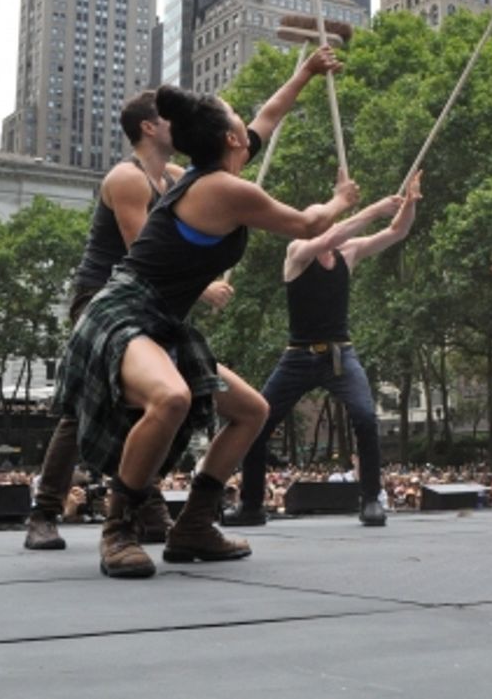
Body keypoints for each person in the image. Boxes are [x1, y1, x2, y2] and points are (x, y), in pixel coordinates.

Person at [53, 47, 359, 579]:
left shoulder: (213, 170)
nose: (249, 125)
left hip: (163, 322)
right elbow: (310, 224)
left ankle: (194, 523)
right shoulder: (222, 189)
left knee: (251, 410)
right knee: (169, 398)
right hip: (122, 314)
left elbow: (268, 115)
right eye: (240, 123)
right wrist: (339, 200)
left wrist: (303, 75)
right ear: (232, 141)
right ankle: (117, 529)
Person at [25, 89, 235, 552]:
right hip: (103, 300)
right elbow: (145, 248)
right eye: (170, 120)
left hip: (148, 306)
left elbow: (237, 155)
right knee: (85, 404)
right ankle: (44, 510)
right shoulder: (127, 178)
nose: (178, 126)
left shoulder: (175, 176)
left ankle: (144, 502)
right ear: (150, 127)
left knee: (155, 401)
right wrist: (205, 287)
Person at [228, 171, 422, 529]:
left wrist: (408, 204)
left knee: (365, 417)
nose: (327, 228)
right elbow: (333, 234)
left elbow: (397, 232)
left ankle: (370, 500)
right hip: (298, 356)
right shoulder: (297, 252)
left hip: (339, 354)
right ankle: (252, 504)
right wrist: (374, 210)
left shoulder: (348, 253)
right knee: (257, 419)